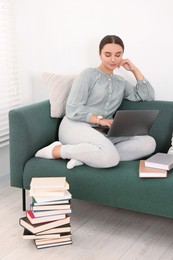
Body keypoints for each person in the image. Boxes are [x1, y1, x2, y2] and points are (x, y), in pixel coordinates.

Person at [35, 35, 156, 169]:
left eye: (118, 55)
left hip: (102, 131)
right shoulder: (88, 75)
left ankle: (86, 157)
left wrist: (135, 70)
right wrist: (98, 119)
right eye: (108, 54)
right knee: (111, 158)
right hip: (75, 125)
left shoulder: (121, 82)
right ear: (100, 54)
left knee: (148, 142)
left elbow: (147, 96)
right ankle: (57, 150)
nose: (113, 59)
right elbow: (72, 109)